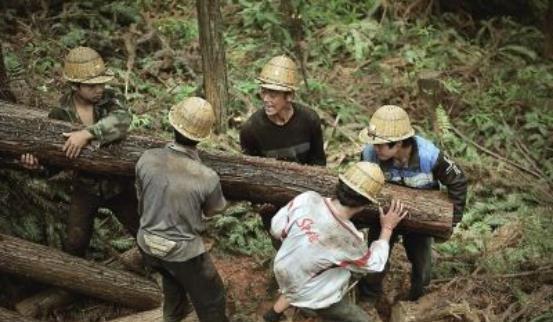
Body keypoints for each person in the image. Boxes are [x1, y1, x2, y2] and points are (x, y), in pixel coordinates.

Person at [20, 46, 137, 256]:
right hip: (85, 186)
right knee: (75, 241)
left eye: (101, 83)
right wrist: (36, 166)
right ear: (75, 86)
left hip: (119, 184)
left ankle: (161, 275)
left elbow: (122, 120)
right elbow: (55, 159)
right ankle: (73, 285)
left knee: (144, 232)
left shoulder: (111, 97)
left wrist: (87, 134)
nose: (99, 89)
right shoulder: (61, 112)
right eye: (91, 86)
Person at [262, 162, 408, 322]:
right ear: (365, 204)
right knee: (361, 318)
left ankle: (272, 315)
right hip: (311, 290)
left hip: (284, 267)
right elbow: (375, 264)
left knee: (307, 270)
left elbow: (276, 228)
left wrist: (308, 240)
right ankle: (310, 308)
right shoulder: (348, 238)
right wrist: (387, 228)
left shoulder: (307, 198)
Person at [358, 104, 468, 301]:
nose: (375, 148)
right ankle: (368, 298)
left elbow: (457, 181)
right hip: (384, 216)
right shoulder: (370, 154)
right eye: (374, 143)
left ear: (399, 143)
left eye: (381, 144)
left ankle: (416, 301)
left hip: (420, 218)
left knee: (423, 267)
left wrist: (454, 220)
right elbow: (360, 184)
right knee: (374, 261)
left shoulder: (429, 155)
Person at [135, 97, 229, 322]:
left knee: (173, 285)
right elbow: (215, 210)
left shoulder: (146, 159)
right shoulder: (207, 176)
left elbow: (140, 196)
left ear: (173, 125)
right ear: (203, 136)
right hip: (183, 252)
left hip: (147, 244)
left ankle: (173, 316)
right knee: (212, 298)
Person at [239, 55, 326, 232]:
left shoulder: (309, 119)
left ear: (289, 96)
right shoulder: (251, 129)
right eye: (263, 92)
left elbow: (318, 162)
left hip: (305, 196)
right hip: (272, 201)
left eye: (273, 94)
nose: (265, 99)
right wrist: (259, 202)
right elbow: (252, 174)